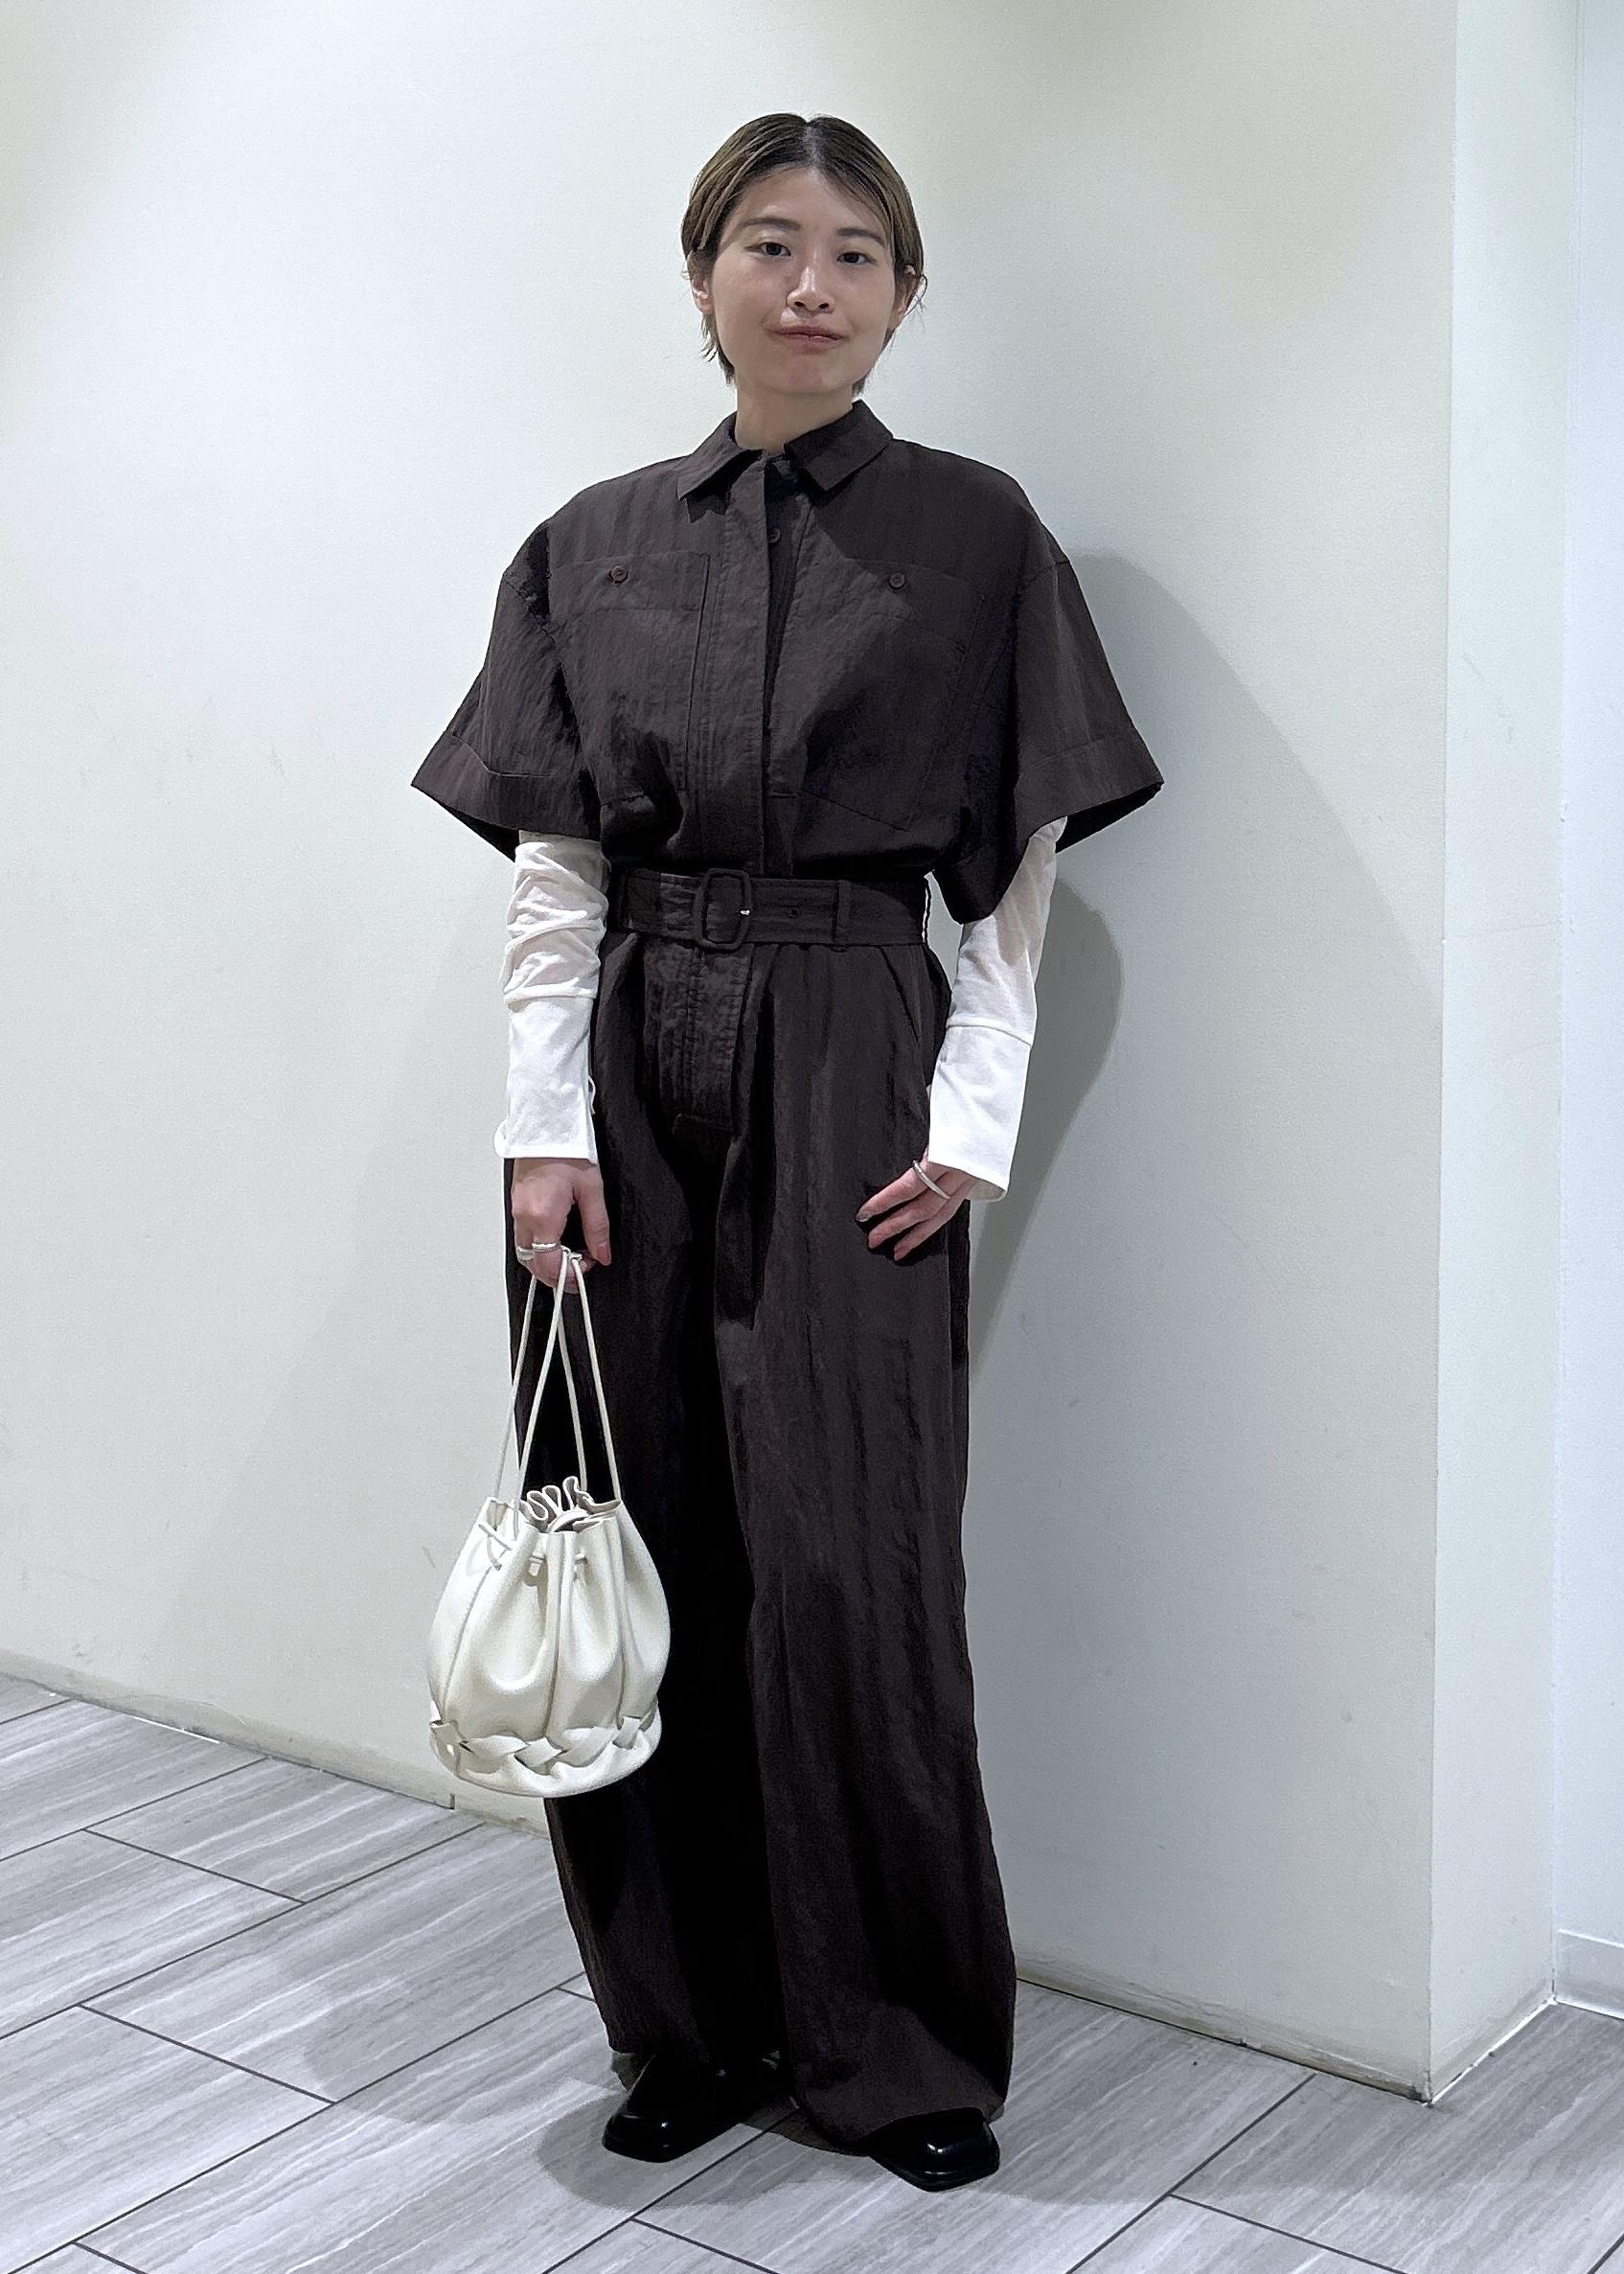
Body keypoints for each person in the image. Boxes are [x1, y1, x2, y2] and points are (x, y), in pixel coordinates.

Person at [412, 112, 1163, 2194]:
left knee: (853, 1559)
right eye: (768, 242)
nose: (809, 283)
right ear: (703, 276)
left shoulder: (973, 534)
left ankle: (894, 2047)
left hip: (851, 1044)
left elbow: (1011, 873)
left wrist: (972, 1123)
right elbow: (557, 867)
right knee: (634, 1532)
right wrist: (539, 1130)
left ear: (903, 294)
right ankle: (682, 2021)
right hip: (625, 1063)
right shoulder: (589, 544)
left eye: (853, 250)